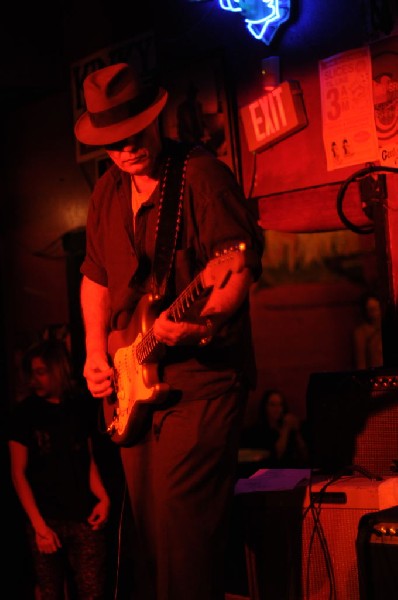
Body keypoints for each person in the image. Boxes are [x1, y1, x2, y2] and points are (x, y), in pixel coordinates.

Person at [73, 62, 264, 600]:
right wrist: (94, 353)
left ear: (154, 118)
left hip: (201, 384)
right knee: (152, 547)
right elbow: (94, 278)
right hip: (132, 385)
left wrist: (201, 326)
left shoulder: (200, 175)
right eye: (112, 140)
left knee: (186, 539)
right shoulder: (107, 193)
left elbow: (236, 268)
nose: (126, 146)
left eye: (133, 131)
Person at [7, 338, 111, 600]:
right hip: (45, 519)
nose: (34, 379)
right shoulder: (24, 413)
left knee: (92, 591)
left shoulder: (78, 407)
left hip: (83, 517)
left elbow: (87, 461)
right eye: (31, 373)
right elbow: (18, 473)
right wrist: (39, 526)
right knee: (50, 592)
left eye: (41, 372)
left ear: (57, 370)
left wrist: (104, 499)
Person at [240, 388, 309, 471]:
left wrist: (296, 431)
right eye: (272, 405)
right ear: (265, 407)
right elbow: (276, 457)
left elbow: (305, 456)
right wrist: (285, 429)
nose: (277, 409)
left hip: (292, 473)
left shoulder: (289, 429)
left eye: (280, 405)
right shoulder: (257, 432)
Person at [353, 292, 383, 370]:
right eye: (371, 310)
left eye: (377, 308)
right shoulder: (361, 333)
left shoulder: (389, 327)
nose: (375, 313)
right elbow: (361, 364)